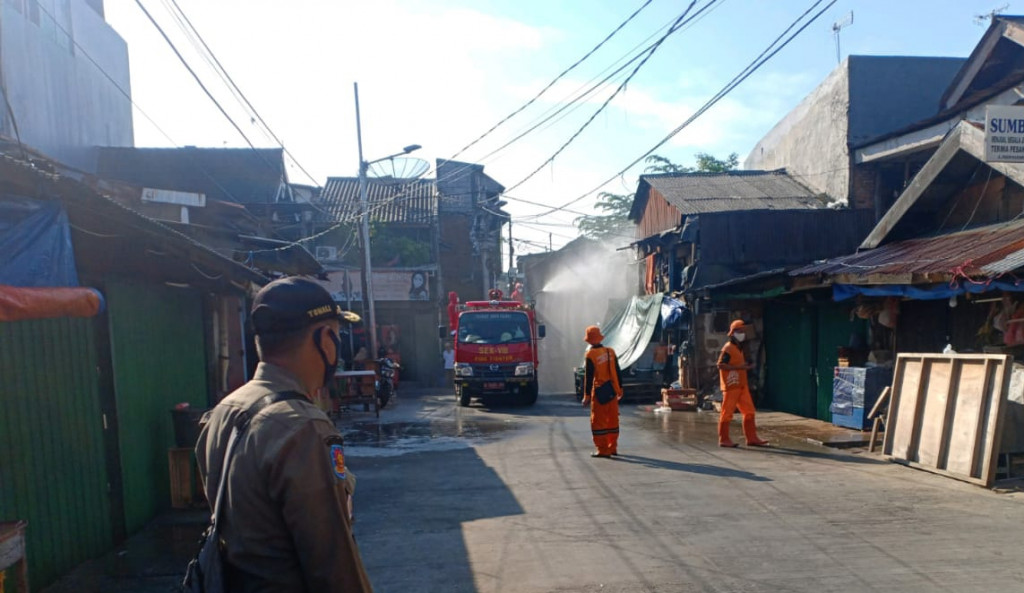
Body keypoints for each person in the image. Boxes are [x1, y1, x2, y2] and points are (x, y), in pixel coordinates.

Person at [195, 276, 374, 592]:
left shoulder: (225, 411)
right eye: (336, 336)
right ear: (323, 338)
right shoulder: (303, 427)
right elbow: (333, 565)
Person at [716, 320, 769, 448]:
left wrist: (744, 367)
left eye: (743, 331)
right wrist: (741, 367)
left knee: (749, 411)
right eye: (739, 331)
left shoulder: (739, 347)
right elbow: (720, 365)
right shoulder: (728, 348)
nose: (742, 334)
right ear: (733, 333)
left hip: (741, 385)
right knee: (727, 413)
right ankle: (723, 439)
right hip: (731, 386)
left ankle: (752, 438)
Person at [581, 325, 623, 458]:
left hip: (599, 393)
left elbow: (589, 376)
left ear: (589, 340)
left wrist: (586, 395)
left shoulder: (590, 355)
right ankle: (612, 447)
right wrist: (620, 389)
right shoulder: (610, 351)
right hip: (612, 391)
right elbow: (617, 371)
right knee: (612, 420)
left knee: (599, 422)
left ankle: (603, 450)